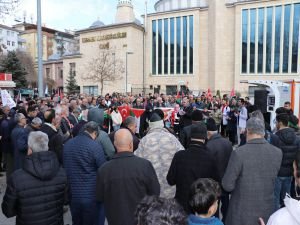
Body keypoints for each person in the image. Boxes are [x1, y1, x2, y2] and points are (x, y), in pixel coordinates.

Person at [222, 117, 283, 225]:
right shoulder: (277, 153)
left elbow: (227, 185)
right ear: (263, 132)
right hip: (266, 212)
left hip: (241, 213)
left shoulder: (239, 153)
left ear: (248, 131)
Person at [2, 131, 68, 225]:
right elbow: (66, 200)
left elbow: (8, 211)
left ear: (29, 149)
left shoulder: (17, 178)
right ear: (47, 147)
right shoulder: (62, 173)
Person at [96, 129, 160, 225]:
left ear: (115, 144)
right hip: (140, 219)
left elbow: (99, 197)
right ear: (131, 144)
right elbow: (155, 192)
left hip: (115, 220)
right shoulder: (145, 165)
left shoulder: (104, 169)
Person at [167, 123, 219, 212]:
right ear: (205, 137)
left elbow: (170, 180)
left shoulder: (179, 156)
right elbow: (216, 184)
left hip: (181, 205)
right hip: (201, 206)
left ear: (190, 137)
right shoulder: (211, 158)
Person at [64, 121, 106, 225]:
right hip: (91, 195)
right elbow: (103, 169)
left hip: (73, 194)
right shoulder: (95, 146)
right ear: (95, 133)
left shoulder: (68, 144)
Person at [135, 112, 184, 198]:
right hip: (171, 188)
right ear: (162, 124)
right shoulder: (172, 138)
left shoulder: (144, 140)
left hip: (152, 189)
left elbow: (136, 162)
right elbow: (183, 157)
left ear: (150, 125)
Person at [259, 150, 300, 225]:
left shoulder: (278, 219)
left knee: (276, 196)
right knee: (286, 194)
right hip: (288, 174)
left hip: (279, 172)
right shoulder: (297, 140)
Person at [206, 118, 232, 222]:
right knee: (226, 205)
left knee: (214, 206)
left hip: (213, 182)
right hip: (226, 180)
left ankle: (215, 222)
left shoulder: (208, 145)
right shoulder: (228, 143)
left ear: (208, 133)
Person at [274, 113, 300, 210]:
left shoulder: (275, 137)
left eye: (276, 122)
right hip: (289, 172)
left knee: (275, 199)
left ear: (280, 123)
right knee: (286, 199)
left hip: (277, 172)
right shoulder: (296, 137)